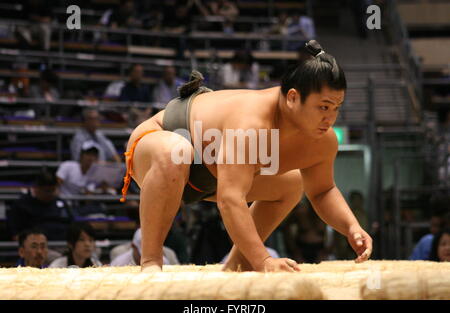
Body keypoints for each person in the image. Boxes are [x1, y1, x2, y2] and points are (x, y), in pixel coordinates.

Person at [120, 40, 373, 273]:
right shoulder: (252, 124)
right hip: (159, 142)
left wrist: (351, 227)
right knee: (175, 152)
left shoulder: (322, 139)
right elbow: (230, 199)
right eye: (323, 107)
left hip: (209, 174)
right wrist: (264, 259)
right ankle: (151, 260)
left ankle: (238, 263)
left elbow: (322, 191)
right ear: (293, 98)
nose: (330, 118)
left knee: (292, 182)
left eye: (336, 108)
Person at [6, 171, 72, 241]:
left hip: (63, 245)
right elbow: (15, 235)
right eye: (47, 191)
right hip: (37, 247)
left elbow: (71, 225)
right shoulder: (21, 205)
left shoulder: (61, 203)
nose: (50, 194)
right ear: (36, 188)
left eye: (53, 190)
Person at [111, 228, 179, 266]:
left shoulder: (163, 262)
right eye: (142, 254)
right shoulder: (118, 263)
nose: (145, 257)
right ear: (133, 246)